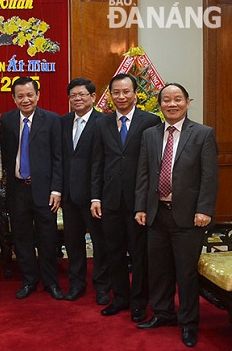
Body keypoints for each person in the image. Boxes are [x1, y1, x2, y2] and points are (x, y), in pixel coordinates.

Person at [134, 83, 218, 347]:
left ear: (187, 102)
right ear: (159, 105)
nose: (172, 104)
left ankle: (189, 322)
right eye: (166, 100)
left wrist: (204, 210)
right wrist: (140, 207)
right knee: (158, 270)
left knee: (186, 273)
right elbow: (143, 174)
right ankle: (163, 313)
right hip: (157, 213)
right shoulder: (149, 135)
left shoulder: (203, 134)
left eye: (177, 99)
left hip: (189, 216)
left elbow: (209, 177)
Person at [90, 73, 160, 321]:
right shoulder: (102, 123)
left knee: (140, 253)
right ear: (110, 95)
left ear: (135, 93)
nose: (121, 97)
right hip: (110, 201)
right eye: (116, 92)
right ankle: (120, 298)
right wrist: (95, 198)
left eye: (126, 92)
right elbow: (97, 162)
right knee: (114, 252)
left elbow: (155, 165)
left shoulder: (151, 121)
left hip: (139, 202)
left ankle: (139, 301)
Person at [0, 76, 64, 300]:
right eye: (20, 96)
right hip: (17, 189)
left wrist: (56, 190)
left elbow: (58, 158)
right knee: (21, 237)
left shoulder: (53, 120)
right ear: (14, 98)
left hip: (45, 191)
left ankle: (51, 282)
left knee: (47, 238)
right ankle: (29, 280)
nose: (25, 100)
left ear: (38, 95)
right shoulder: (6, 121)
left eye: (29, 95)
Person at [61, 78, 110, 304]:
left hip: (94, 197)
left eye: (82, 95)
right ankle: (76, 284)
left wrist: (96, 195)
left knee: (100, 243)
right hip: (70, 196)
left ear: (93, 96)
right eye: (73, 96)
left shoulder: (105, 122)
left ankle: (102, 286)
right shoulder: (63, 122)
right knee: (73, 243)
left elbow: (104, 163)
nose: (77, 99)